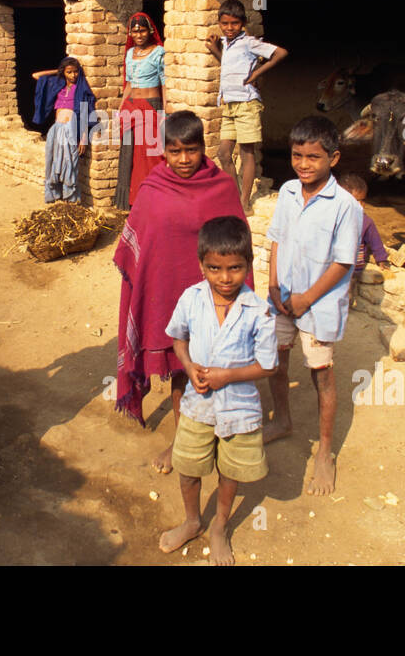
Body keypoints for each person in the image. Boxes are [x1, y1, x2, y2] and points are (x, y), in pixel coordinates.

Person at [113, 110, 249, 474]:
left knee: (220, 368)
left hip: (218, 296)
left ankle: (224, 439)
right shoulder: (153, 187)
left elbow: (240, 242)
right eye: (175, 152)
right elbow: (143, 245)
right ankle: (182, 441)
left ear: (203, 148)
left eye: (191, 150)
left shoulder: (221, 186)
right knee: (180, 369)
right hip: (171, 298)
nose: (184, 160)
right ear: (164, 151)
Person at [158, 216, 277, 565]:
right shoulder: (191, 299)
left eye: (235, 269)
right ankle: (193, 520)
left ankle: (219, 527)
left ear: (248, 266)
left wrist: (229, 376)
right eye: (214, 268)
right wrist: (189, 366)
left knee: (230, 471)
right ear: (201, 265)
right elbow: (178, 338)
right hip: (198, 406)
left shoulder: (258, 310)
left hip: (239, 408)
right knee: (188, 467)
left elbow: (268, 365)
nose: (225, 278)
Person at [263, 116, 362, 497]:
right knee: (276, 360)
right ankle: (283, 420)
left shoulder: (346, 206)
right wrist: (273, 283)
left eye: (314, 158)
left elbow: (342, 263)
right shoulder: (288, 192)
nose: (304, 164)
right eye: (297, 156)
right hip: (282, 298)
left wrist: (306, 297)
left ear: (333, 158)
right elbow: (275, 239)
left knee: (321, 374)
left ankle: (324, 452)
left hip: (317, 306)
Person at [204, 0, 288, 213]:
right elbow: (229, 64)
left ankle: (244, 202)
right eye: (225, 23)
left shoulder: (249, 42)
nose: (229, 28)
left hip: (247, 104)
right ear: (220, 23)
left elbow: (281, 53)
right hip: (230, 105)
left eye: (234, 24)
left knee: (246, 152)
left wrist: (256, 74)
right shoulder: (227, 43)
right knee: (224, 153)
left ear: (242, 23)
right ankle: (235, 195)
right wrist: (215, 48)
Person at [113, 12, 166, 210]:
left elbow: (164, 83)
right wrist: (121, 107)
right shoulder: (129, 53)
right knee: (129, 154)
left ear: (150, 31)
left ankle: (152, 199)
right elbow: (129, 83)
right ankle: (130, 201)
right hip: (131, 106)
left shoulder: (159, 52)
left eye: (142, 30)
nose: (138, 35)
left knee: (150, 155)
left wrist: (165, 111)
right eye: (134, 31)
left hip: (150, 105)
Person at [32, 56, 100, 204]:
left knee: (70, 164)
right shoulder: (58, 85)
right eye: (69, 72)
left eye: (76, 72)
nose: (73, 75)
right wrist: (58, 71)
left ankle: (71, 200)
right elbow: (36, 76)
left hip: (71, 130)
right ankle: (56, 196)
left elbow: (84, 113)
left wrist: (83, 138)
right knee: (53, 162)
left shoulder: (80, 89)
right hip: (56, 129)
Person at [336, 173, 391, 307]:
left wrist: (381, 258)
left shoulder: (366, 221)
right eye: (356, 201)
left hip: (354, 267)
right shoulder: (332, 219)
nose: (361, 205)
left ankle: (344, 310)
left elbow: (375, 241)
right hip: (334, 264)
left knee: (347, 291)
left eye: (363, 200)